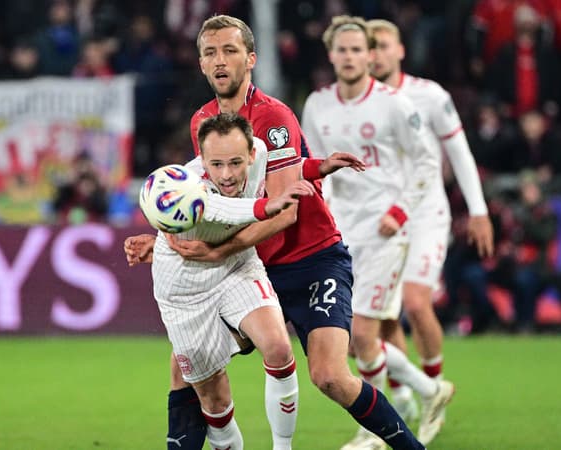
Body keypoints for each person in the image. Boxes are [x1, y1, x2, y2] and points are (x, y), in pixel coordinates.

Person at [127, 14, 424, 450]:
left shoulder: (273, 116)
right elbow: (216, 203)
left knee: (330, 377)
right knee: (188, 368)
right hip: (251, 264)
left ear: (250, 59)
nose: (220, 61)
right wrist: (163, 238)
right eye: (210, 53)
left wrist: (214, 253)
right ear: (201, 64)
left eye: (230, 50)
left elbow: (282, 214)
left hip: (310, 260)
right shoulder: (203, 122)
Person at [300, 16, 456, 449]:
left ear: (370, 55)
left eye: (357, 50)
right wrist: (320, 212)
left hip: (387, 232)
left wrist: (400, 211)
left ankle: (374, 430)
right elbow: (314, 169)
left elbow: (427, 163)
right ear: (331, 55)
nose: (349, 57)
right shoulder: (316, 105)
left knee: (363, 335)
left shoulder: (394, 104)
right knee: (349, 342)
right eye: (342, 50)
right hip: (339, 234)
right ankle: (428, 391)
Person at [147, 112, 318, 450]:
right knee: (214, 401)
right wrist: (267, 206)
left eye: (236, 163)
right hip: (184, 292)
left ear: (253, 154)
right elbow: (223, 210)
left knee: (279, 347)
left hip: (236, 265)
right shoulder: (189, 183)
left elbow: (294, 167)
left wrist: (320, 166)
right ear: (202, 159)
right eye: (216, 164)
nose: (226, 175)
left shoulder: (263, 155)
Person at [368, 18, 494, 439]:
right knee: (381, 322)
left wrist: (478, 210)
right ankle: (408, 396)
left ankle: (433, 388)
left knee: (417, 304)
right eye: (368, 46)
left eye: (383, 45)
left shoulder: (429, 95)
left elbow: (459, 152)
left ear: (400, 50)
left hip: (425, 214)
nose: (375, 53)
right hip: (379, 220)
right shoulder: (357, 103)